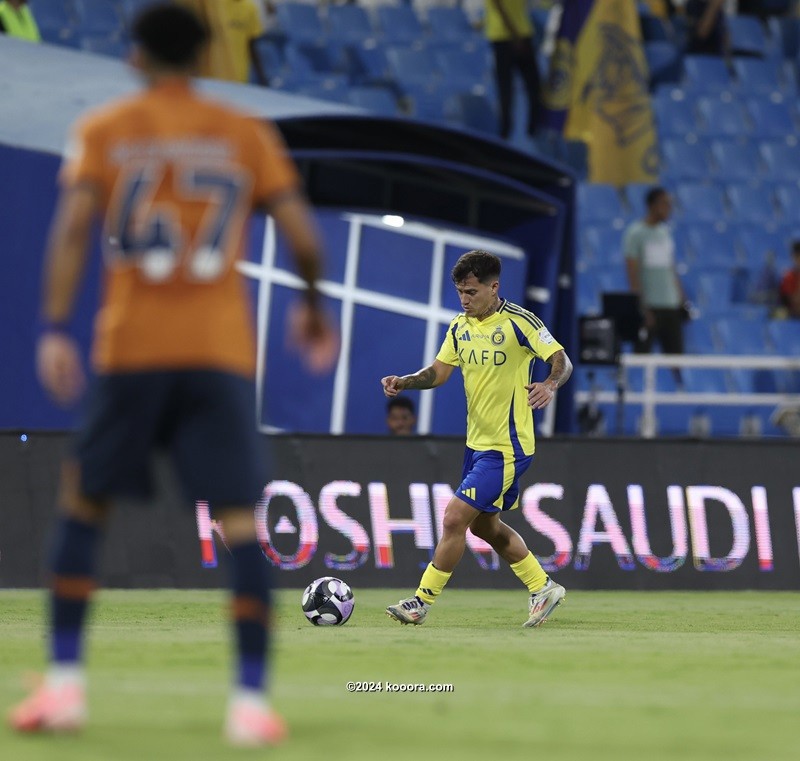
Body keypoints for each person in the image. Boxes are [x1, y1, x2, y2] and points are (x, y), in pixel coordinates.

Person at [7, 3, 337, 747]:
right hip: (217, 352)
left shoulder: (106, 130)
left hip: (132, 349)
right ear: (205, 55)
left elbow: (71, 230)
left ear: (136, 56)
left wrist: (54, 327)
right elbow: (303, 236)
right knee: (243, 522)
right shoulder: (246, 133)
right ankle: (250, 704)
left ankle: (64, 687)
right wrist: (313, 308)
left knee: (84, 503)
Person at [381, 250, 572, 628]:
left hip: (508, 447)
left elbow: (561, 359)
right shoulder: (459, 327)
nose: (464, 299)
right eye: (460, 292)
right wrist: (407, 381)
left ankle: (420, 602)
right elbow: (438, 372)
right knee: (484, 526)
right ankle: (543, 586)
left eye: (471, 291)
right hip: (476, 445)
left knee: (453, 519)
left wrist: (550, 384)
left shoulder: (521, 323)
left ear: (493, 287)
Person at [624, 186, 688, 360]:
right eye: (665, 204)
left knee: (676, 358)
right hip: (650, 307)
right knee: (642, 357)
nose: (669, 208)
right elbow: (632, 271)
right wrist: (641, 306)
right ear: (652, 205)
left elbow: (671, 268)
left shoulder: (665, 232)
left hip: (671, 306)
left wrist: (681, 297)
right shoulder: (635, 233)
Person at [484, 0, 542, 140]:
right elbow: (497, 5)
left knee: (534, 87)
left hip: (523, 33)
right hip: (503, 36)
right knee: (506, 89)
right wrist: (514, 33)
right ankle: (505, 134)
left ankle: (533, 131)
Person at [178, 0, 268, 84]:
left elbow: (252, 45)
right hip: (212, 75)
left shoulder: (250, 8)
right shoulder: (216, 5)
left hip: (239, 75)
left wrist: (262, 76)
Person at [778, 241, 800, 319]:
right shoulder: (789, 277)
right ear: (793, 257)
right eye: (797, 256)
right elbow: (793, 303)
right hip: (793, 318)